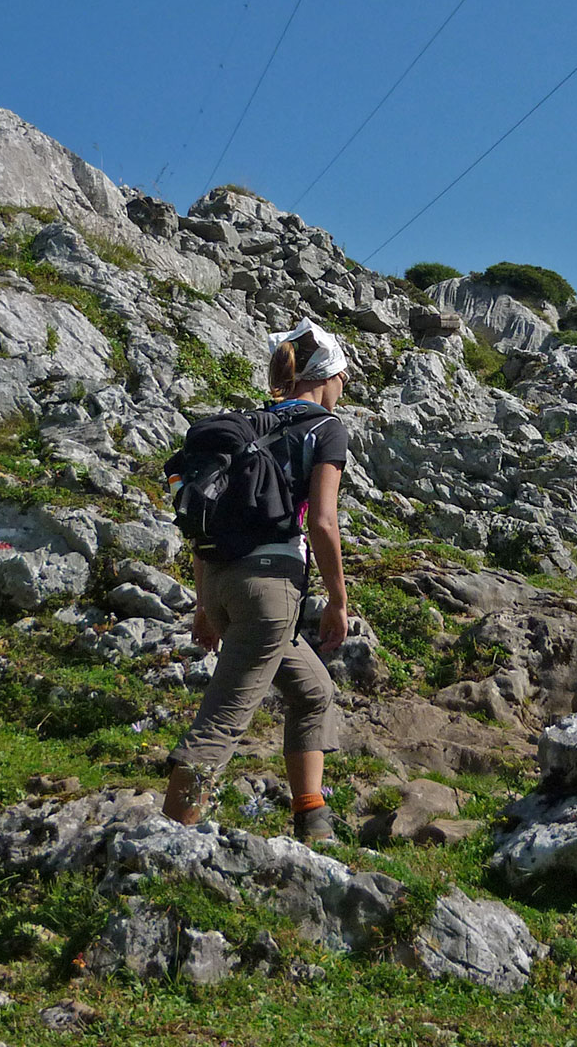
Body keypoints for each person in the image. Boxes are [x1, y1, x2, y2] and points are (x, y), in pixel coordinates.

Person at [162, 321, 350, 845]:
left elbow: (206, 521)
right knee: (221, 720)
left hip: (223, 583)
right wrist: (337, 599)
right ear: (328, 376)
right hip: (270, 593)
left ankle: (312, 818)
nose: (343, 387)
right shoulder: (325, 428)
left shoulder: (247, 425)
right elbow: (323, 523)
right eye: (342, 377)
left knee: (314, 693)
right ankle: (168, 841)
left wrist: (205, 605)